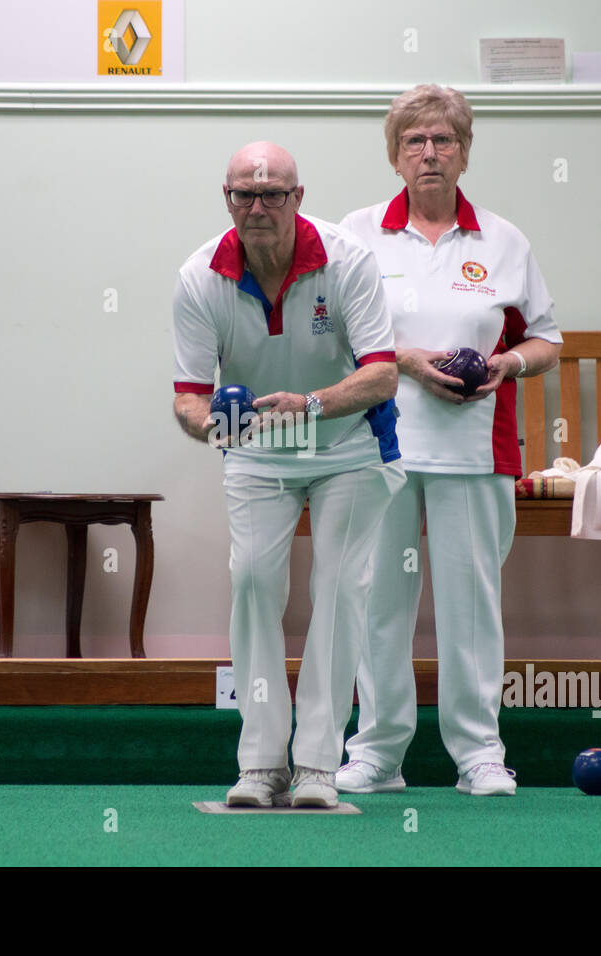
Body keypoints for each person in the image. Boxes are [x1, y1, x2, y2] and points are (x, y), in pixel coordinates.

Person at [337, 85, 563, 797]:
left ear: (465, 151)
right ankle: (377, 752)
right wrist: (407, 362)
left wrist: (507, 363)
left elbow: (547, 338)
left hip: (475, 449)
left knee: (471, 606)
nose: (429, 153)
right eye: (415, 141)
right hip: (383, 446)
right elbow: (337, 332)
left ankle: (479, 756)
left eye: (443, 140)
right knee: (378, 604)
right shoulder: (357, 233)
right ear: (395, 154)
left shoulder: (503, 239)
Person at [172, 142, 406, 808]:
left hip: (348, 445)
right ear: (227, 199)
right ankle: (260, 764)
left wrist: (309, 405)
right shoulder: (198, 277)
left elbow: (383, 372)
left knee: (338, 590)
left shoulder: (348, 260)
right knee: (251, 583)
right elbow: (188, 396)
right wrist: (211, 423)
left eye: (273, 193)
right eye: (244, 193)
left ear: (298, 199)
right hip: (256, 453)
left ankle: (317, 768)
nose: (258, 206)